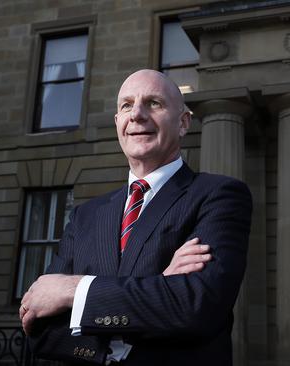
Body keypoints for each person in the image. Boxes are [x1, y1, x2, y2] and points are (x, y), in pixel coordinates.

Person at [19, 69, 252, 365]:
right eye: (126, 105)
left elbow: (195, 306)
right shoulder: (85, 216)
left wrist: (72, 290)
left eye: (154, 103)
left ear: (183, 123)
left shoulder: (219, 195)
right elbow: (41, 329)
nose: (137, 114)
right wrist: (159, 286)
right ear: (118, 122)